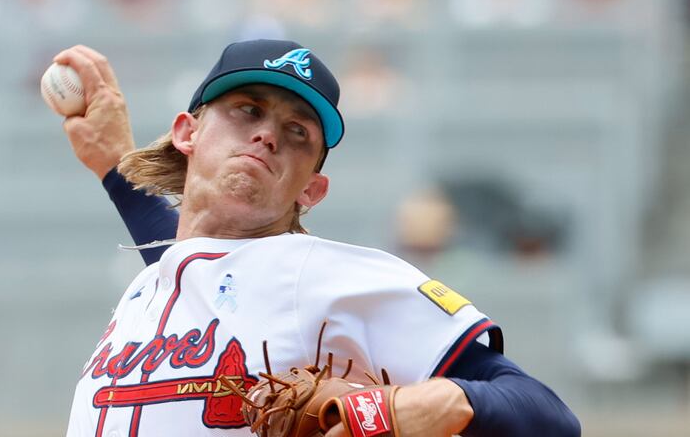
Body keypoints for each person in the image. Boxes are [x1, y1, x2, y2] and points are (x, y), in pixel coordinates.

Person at [55, 40, 580, 437]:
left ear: (312, 188)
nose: (268, 134)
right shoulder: (160, 280)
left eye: (298, 132)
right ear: (187, 132)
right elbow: (190, 257)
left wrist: (446, 403)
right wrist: (114, 166)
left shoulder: (322, 273)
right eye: (248, 109)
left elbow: (544, 412)